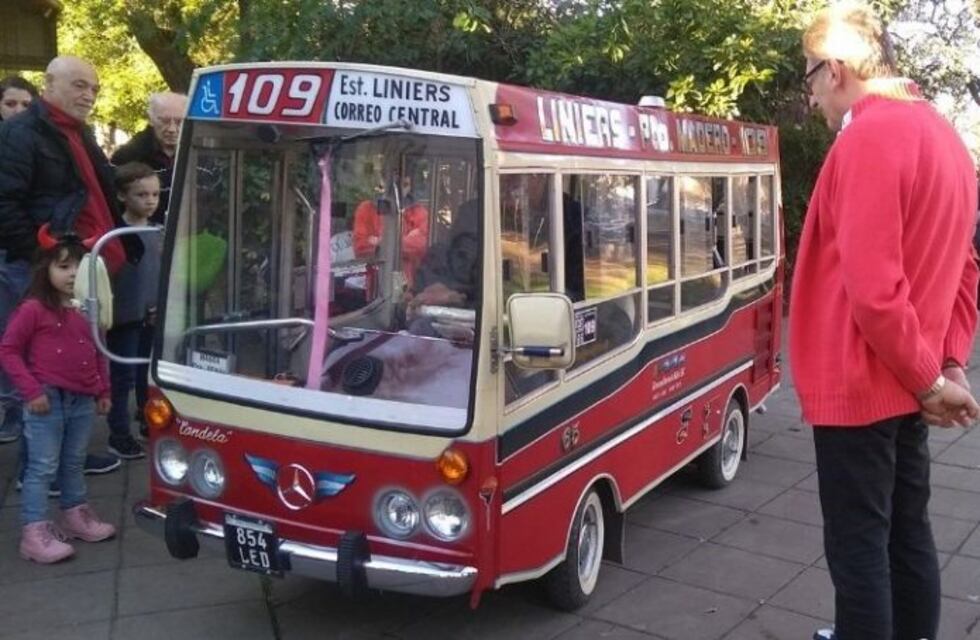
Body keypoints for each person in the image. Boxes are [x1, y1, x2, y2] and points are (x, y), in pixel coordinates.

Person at [791, 5, 980, 640]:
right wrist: (947, 363)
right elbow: (966, 269)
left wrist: (931, 380)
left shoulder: (869, 138)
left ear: (837, 69)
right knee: (907, 534)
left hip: (863, 384)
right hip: (905, 380)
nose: (812, 93)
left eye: (811, 77)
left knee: (859, 553)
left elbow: (874, 293)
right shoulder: (945, 137)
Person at [0, 55, 136, 475]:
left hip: (82, 270)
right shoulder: (22, 133)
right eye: (79, 85)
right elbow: (5, 202)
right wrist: (44, 261)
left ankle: (66, 460)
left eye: (94, 88)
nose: (89, 95)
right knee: (47, 370)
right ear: (50, 84)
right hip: (48, 271)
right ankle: (39, 469)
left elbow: (96, 194)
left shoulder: (78, 132)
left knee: (76, 363)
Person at [0, 229, 116, 564]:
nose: (71, 274)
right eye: (63, 266)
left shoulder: (88, 309)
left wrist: (103, 389)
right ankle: (34, 532)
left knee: (73, 460)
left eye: (78, 267)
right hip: (46, 399)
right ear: (45, 269)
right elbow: (8, 350)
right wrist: (31, 390)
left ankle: (75, 514)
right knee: (42, 466)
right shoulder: (33, 309)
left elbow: (98, 351)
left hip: (81, 398)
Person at [106, 162, 162, 458]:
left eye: (154, 194)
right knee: (123, 375)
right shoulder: (114, 234)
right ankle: (118, 432)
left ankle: (146, 418)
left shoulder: (158, 230)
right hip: (124, 317)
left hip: (150, 314)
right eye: (142, 195)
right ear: (122, 197)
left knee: (146, 373)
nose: (150, 200)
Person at [0, 76, 39, 444]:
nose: (17, 111)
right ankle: (11, 406)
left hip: (30, 252)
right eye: (10, 103)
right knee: (8, 332)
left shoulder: (35, 144)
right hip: (9, 253)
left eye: (26, 105)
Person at [111, 92, 187, 225]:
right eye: (164, 121)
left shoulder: (202, 154)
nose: (172, 129)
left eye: (179, 122)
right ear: (151, 119)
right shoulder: (127, 157)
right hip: (139, 237)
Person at [352, 171, 429, 289]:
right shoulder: (366, 209)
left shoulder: (420, 212)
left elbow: (421, 247)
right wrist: (406, 239)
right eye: (393, 185)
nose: (398, 191)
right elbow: (360, 248)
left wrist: (379, 242)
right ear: (383, 182)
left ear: (410, 185)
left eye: (404, 185)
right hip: (375, 288)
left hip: (409, 287)